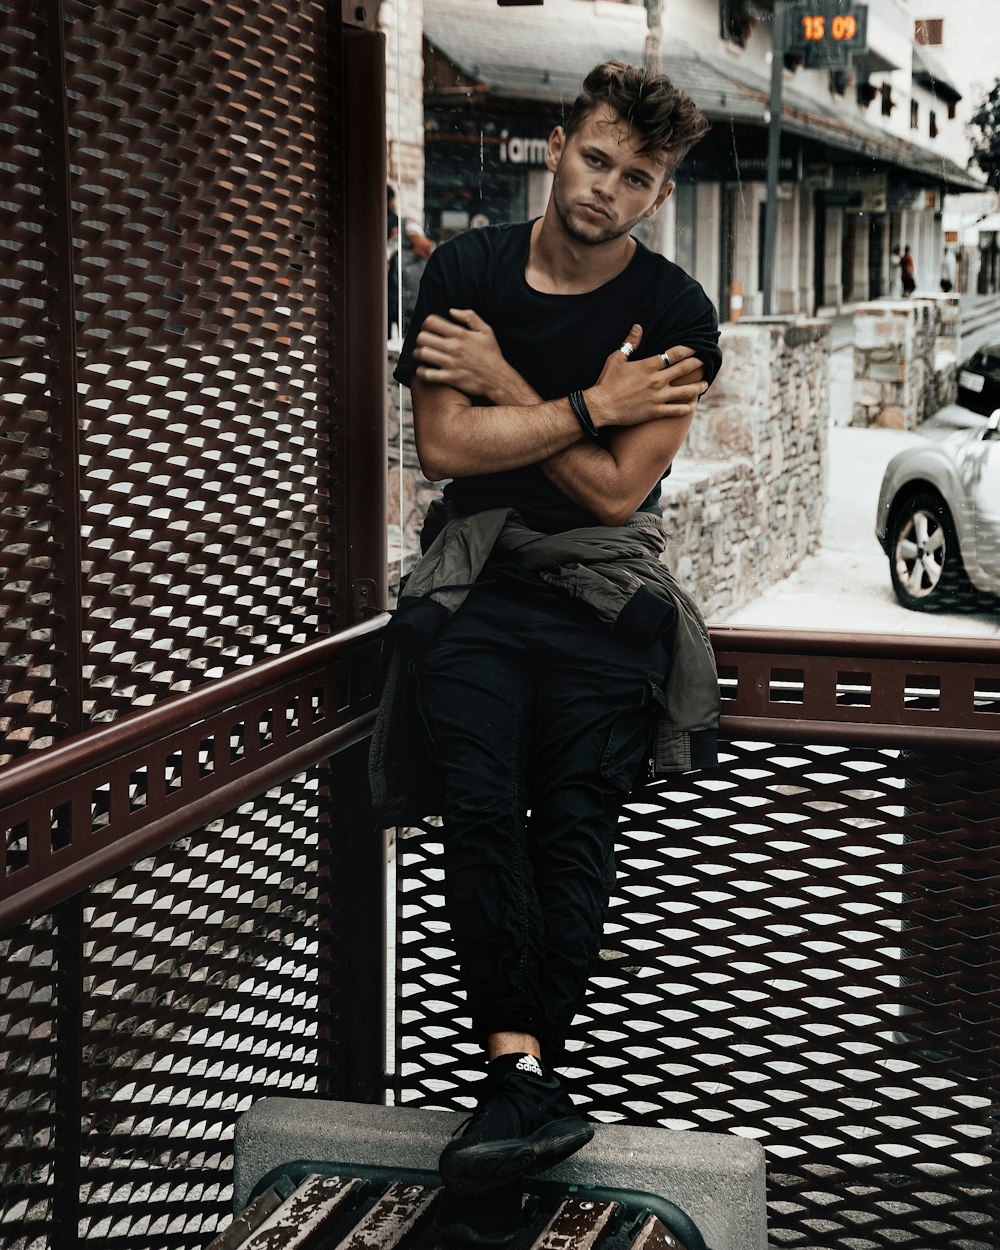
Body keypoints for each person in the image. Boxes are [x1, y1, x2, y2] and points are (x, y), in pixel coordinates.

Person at [373, 61, 722, 1244]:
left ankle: (513, 1088)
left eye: (640, 177)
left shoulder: (674, 317)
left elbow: (622, 495)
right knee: (480, 810)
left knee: (574, 822)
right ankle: (523, 1084)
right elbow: (442, 448)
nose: (608, 190)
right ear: (559, 142)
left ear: (657, 191)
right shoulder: (462, 271)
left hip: (600, 600)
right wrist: (589, 401)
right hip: (474, 585)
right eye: (596, 158)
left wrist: (522, 395)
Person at [387, 184, 434, 338]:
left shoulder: (381, 225)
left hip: (391, 294)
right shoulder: (406, 223)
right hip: (406, 293)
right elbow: (426, 247)